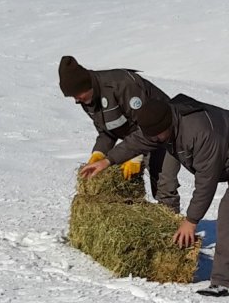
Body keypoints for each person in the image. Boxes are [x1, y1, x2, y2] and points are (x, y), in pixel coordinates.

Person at [80, 94, 229, 297]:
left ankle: (223, 282)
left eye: (157, 136)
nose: (154, 140)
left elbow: (206, 182)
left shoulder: (200, 132)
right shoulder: (161, 123)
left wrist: (191, 221)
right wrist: (108, 160)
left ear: (169, 124)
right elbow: (138, 141)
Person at [59, 55, 181, 212]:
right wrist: (99, 153)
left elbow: (147, 124)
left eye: (77, 95)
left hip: (166, 132)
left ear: (87, 86)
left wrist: (135, 156)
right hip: (137, 139)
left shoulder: (123, 85)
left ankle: (174, 230)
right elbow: (107, 131)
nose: (76, 100)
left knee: (164, 183)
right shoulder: (87, 100)